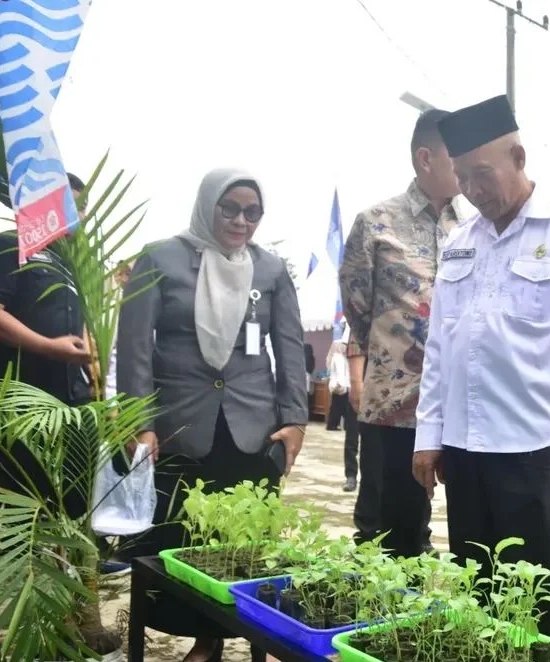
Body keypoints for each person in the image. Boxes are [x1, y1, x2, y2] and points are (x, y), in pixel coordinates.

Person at [411, 94, 550, 639]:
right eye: (462, 176)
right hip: (464, 446)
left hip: (533, 444)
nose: (473, 189)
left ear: (519, 157)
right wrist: (428, 434)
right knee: (478, 582)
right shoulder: (461, 244)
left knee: (542, 587)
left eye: (482, 173)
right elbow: (440, 345)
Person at [117, 168, 308, 662]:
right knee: (181, 538)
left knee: (241, 543)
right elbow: (135, 348)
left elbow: (289, 348)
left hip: (252, 429)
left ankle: (223, 642)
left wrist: (295, 420)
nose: (241, 221)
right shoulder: (161, 258)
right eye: (230, 209)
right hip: (180, 427)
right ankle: (194, 638)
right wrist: (140, 422)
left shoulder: (270, 270)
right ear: (208, 206)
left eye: (252, 212)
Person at [0, 173, 129, 574]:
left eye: (80, 207)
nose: (75, 215)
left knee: (74, 496)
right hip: (24, 403)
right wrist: (50, 348)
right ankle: (22, 575)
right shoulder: (8, 247)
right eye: (67, 204)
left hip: (73, 404)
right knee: (20, 499)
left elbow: (85, 327)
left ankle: (80, 568)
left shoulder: (75, 266)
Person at [338, 109, 460, 555]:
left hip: (460, 403)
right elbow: (357, 306)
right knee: (388, 533)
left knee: (473, 528)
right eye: (456, 154)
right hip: (395, 404)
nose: (466, 164)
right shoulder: (375, 223)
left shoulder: (472, 227)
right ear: (425, 158)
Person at [327, 332, 360, 492]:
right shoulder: (340, 356)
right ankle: (351, 476)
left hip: (373, 394)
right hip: (350, 394)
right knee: (351, 438)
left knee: (372, 442)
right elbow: (335, 373)